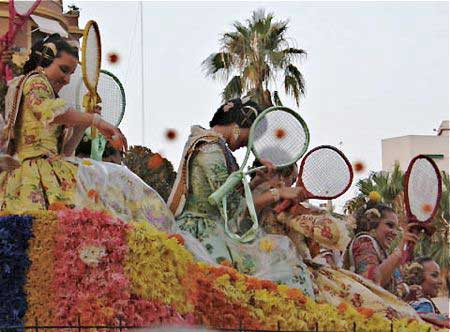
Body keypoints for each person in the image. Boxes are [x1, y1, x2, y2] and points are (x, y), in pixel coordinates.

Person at [0, 34, 174, 232]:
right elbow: (45, 109)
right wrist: (95, 120)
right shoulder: (35, 81)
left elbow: (65, 152)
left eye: (70, 73)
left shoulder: (49, 91)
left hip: (50, 174)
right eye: (63, 70)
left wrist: (83, 125)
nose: (66, 79)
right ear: (45, 59)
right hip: (29, 177)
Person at [168, 98, 315, 298]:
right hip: (202, 231)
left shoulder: (218, 148)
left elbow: (232, 195)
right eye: (251, 136)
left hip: (216, 227)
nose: (249, 144)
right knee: (277, 267)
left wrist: (254, 183)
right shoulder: (210, 149)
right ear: (238, 127)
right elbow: (231, 207)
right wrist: (277, 193)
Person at [253, 167, 420, 319]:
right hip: (280, 277)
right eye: (389, 225)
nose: (292, 185)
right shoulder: (365, 242)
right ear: (372, 223)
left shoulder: (295, 212)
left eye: (294, 179)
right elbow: (371, 279)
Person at [343, 201, 420, 295]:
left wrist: (408, 291)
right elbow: (371, 283)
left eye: (396, 228)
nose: (395, 233)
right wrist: (399, 251)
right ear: (372, 223)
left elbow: (390, 292)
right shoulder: (363, 242)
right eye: (390, 225)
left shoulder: (383, 253)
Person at [405, 257, 449, 328]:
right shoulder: (424, 305)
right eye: (434, 275)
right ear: (418, 277)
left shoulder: (408, 302)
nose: (440, 281)